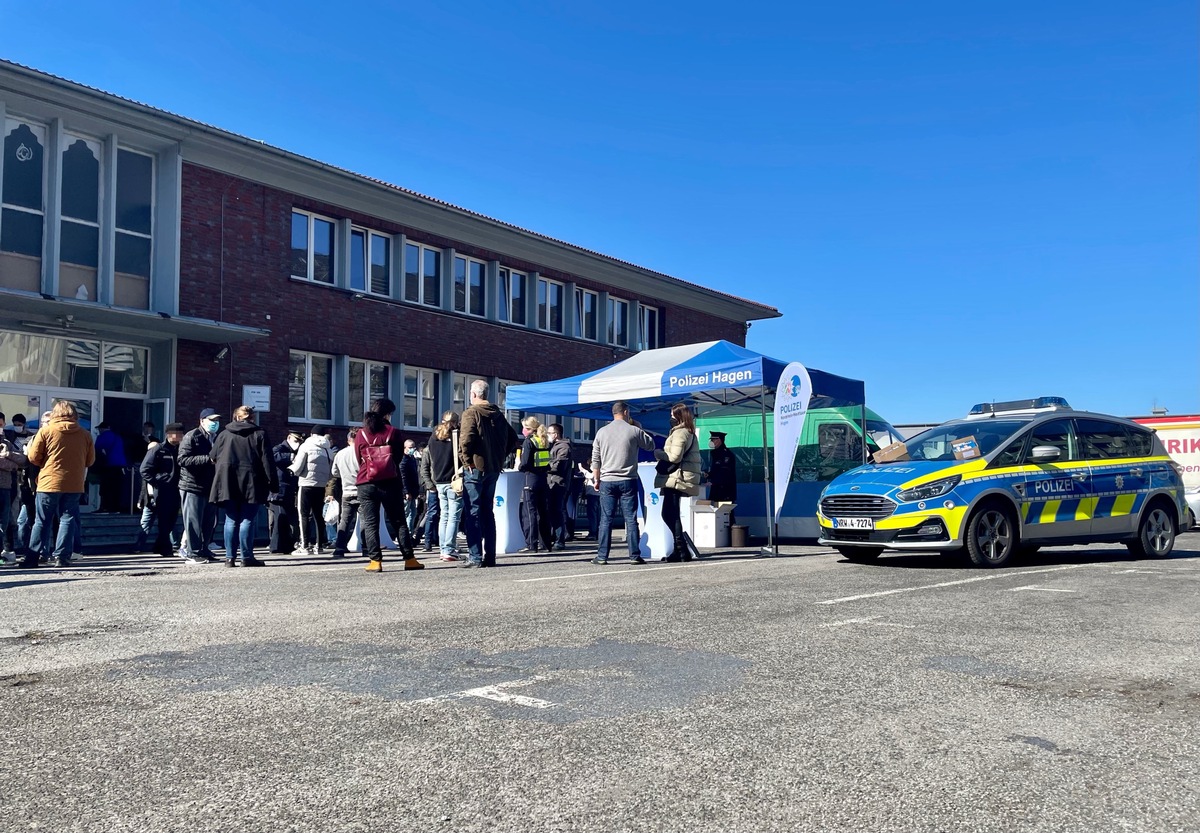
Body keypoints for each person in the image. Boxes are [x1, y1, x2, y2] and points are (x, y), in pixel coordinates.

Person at [23, 401, 96, 569]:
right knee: (67, 519)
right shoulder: (85, 434)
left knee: (42, 521)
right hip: (74, 483)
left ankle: (33, 557)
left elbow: (33, 457)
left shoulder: (46, 431)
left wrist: (45, 463)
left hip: (49, 482)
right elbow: (90, 460)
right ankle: (62, 557)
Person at [354, 398, 422, 573]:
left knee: (370, 522)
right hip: (390, 482)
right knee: (399, 521)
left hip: (366, 482)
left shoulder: (361, 434)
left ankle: (375, 561)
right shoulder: (393, 432)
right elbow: (398, 458)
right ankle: (409, 559)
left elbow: (358, 458)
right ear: (387, 414)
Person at [458, 379, 519, 569]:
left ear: (474, 395)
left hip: (476, 468)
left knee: (473, 513)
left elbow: (465, 439)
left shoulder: (472, 412)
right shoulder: (498, 415)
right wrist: (499, 457)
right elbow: (513, 438)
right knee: (487, 512)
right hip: (493, 468)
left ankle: (475, 556)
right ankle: (490, 556)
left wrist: (465, 460)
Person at [209, 405, 277, 567]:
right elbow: (267, 461)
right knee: (247, 519)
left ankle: (229, 558)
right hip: (251, 481)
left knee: (231, 519)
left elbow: (212, 457)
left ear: (236, 417)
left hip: (227, 481)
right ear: (252, 418)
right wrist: (273, 485)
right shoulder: (259, 434)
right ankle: (246, 557)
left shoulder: (224, 434)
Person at [590, 400, 654, 566]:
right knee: (631, 519)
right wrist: (639, 427)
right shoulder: (633, 430)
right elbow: (650, 445)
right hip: (627, 479)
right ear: (626, 412)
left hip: (607, 480)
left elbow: (596, 459)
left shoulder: (601, 432)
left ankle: (602, 556)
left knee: (606, 520)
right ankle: (634, 556)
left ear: (614, 413)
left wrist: (596, 479)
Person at [654, 402, 702, 562]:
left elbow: (674, 457)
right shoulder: (688, 432)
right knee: (671, 513)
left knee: (669, 513)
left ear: (679, 416)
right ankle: (679, 549)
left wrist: (659, 453)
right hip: (679, 477)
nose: (670, 418)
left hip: (676, 477)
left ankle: (681, 550)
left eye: (672, 415)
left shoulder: (680, 433)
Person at [177, 408, 222, 563]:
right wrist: (207, 459)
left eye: (217, 421)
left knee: (209, 521)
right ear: (202, 421)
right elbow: (182, 460)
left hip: (210, 486)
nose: (215, 424)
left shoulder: (217, 438)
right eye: (211, 420)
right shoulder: (192, 436)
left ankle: (204, 549)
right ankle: (193, 551)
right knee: (193, 520)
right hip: (192, 485)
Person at [140, 423, 186, 561]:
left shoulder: (180, 449)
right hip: (163, 490)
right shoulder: (158, 450)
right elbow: (144, 469)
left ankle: (160, 546)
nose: (180, 436)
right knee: (164, 520)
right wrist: (157, 483)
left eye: (181, 434)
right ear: (169, 434)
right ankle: (165, 548)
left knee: (171, 520)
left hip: (177, 489)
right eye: (178, 434)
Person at [290, 425, 334, 555]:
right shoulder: (328, 450)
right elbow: (331, 471)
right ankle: (319, 545)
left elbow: (298, 467)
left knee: (303, 515)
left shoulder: (306, 446)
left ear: (311, 434)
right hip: (321, 485)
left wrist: (291, 469)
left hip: (306, 484)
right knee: (318, 516)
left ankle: (304, 546)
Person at [427, 410, 462, 562]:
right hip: (453, 481)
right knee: (454, 516)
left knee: (444, 516)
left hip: (439, 480)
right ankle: (449, 548)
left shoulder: (433, 437)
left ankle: (443, 548)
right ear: (456, 422)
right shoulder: (457, 436)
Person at [517, 416, 552, 553]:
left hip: (530, 479)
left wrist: (519, 467)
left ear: (530, 429)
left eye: (525, 428)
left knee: (529, 512)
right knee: (543, 512)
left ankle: (531, 544)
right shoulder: (544, 441)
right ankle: (546, 543)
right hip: (543, 478)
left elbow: (525, 462)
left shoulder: (529, 442)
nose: (523, 430)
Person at [324, 428, 360, 559]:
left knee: (344, 520)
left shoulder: (340, 454)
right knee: (366, 520)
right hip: (361, 490)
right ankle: (367, 547)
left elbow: (334, 472)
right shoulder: (362, 452)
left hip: (346, 491)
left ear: (348, 440)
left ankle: (339, 547)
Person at [269, 430, 302, 553]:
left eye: (299, 441)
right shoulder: (280, 448)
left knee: (287, 519)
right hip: (278, 490)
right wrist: (290, 457)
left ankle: (286, 545)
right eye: (296, 440)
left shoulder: (296, 451)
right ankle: (276, 546)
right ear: (289, 437)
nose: (297, 443)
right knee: (279, 519)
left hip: (288, 490)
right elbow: (272, 456)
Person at [0, 421, 28, 564]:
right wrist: (11, 464)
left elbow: (22, 460)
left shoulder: (6, 443)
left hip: (6, 487)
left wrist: (8, 454)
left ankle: (6, 551)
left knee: (4, 522)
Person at [546, 423, 572, 550]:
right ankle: (555, 537)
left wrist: (545, 466)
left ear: (555, 434)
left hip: (558, 483)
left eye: (549, 433)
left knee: (557, 511)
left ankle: (560, 539)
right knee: (553, 511)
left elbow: (559, 465)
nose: (547, 435)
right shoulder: (555, 446)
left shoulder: (563, 447)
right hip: (553, 482)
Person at [93, 421, 128, 512]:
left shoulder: (102, 437)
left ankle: (104, 507)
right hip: (120, 466)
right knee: (117, 487)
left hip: (108, 465)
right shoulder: (118, 437)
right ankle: (116, 507)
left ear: (101, 429)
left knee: (106, 487)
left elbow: (96, 450)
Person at [417, 442, 440, 553]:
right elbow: (424, 470)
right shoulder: (428, 450)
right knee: (431, 514)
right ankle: (427, 542)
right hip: (433, 487)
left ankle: (440, 541)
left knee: (444, 515)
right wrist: (430, 485)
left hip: (445, 484)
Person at [706, 431, 738, 504]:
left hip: (725, 490)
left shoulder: (726, 454)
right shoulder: (716, 453)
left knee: (726, 512)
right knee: (717, 512)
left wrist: (713, 482)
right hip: (717, 489)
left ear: (719, 440)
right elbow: (715, 470)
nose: (711, 442)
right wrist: (708, 475)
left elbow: (724, 472)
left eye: (713, 440)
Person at [400, 438, 422, 539]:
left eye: (414, 447)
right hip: (407, 492)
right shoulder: (403, 460)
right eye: (410, 447)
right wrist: (406, 491)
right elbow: (403, 477)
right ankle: (405, 535)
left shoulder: (412, 458)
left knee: (413, 513)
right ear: (405, 448)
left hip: (413, 491)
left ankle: (409, 533)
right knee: (406, 512)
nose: (413, 449)